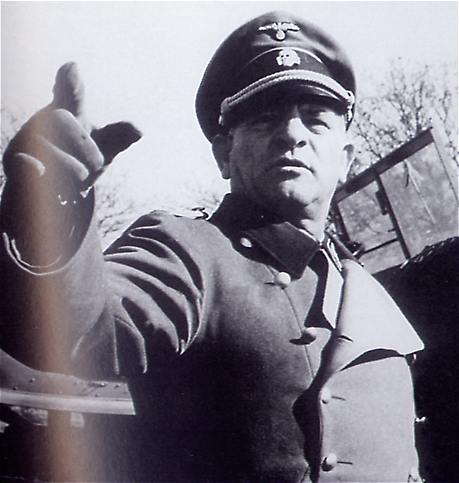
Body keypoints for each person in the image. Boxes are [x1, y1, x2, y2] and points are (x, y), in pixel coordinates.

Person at [0, 10, 425, 483]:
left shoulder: (361, 286)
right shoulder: (188, 252)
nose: (292, 134)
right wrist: (45, 218)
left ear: (345, 158)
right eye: (264, 121)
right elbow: (76, 330)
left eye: (316, 120)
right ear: (224, 154)